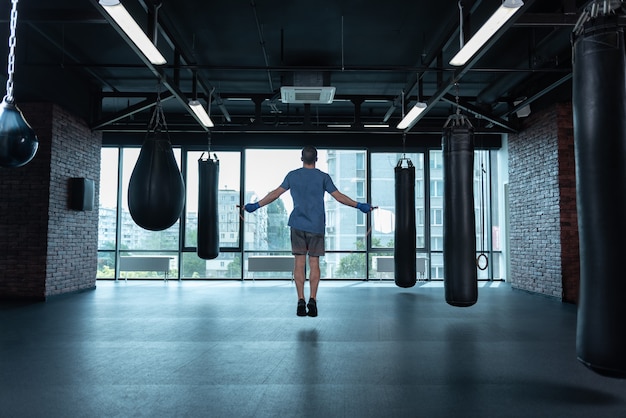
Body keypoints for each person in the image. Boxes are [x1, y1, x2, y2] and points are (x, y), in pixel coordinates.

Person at [244, 146, 373, 317]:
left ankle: (300, 299)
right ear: (317, 159)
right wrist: (360, 205)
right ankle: (312, 298)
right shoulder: (323, 177)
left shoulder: (292, 175)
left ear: (301, 158)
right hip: (316, 226)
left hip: (297, 225)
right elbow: (339, 197)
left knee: (299, 263)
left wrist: (255, 206)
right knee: (314, 263)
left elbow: (275, 194)